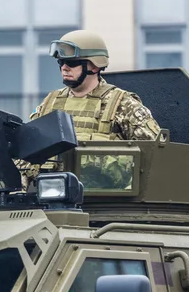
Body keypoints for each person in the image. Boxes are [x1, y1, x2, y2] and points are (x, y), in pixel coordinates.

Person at [17, 29, 162, 189]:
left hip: (109, 201)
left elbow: (156, 154)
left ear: (94, 65)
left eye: (72, 63)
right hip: (54, 200)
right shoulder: (50, 104)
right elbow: (27, 152)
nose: (64, 68)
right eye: (61, 62)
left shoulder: (123, 104)